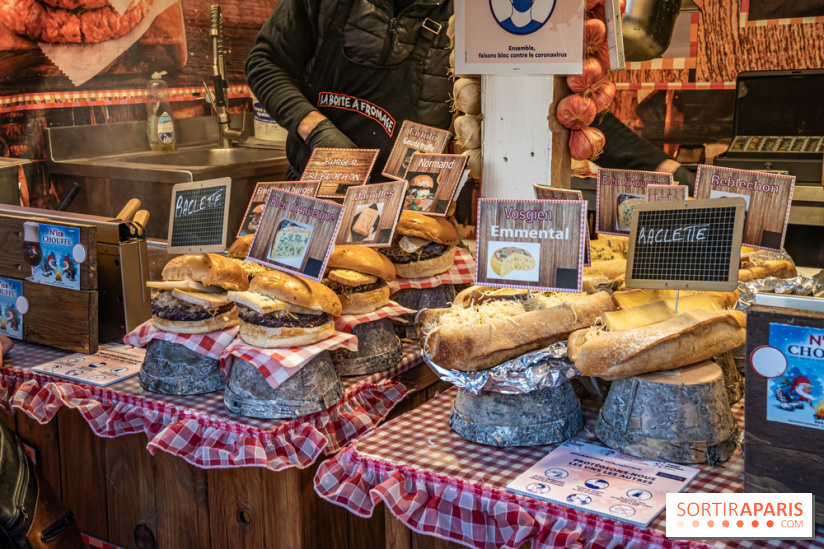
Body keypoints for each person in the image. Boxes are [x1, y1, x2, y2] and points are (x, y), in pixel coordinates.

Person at [247, 0, 694, 187]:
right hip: (321, 194)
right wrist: (318, 130)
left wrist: (662, 166)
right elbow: (265, 63)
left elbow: (559, 110)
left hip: (421, 212)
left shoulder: (477, 11)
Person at [246, 0, 454, 180]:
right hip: (313, 194)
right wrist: (317, 131)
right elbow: (265, 64)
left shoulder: (464, 10)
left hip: (406, 205)